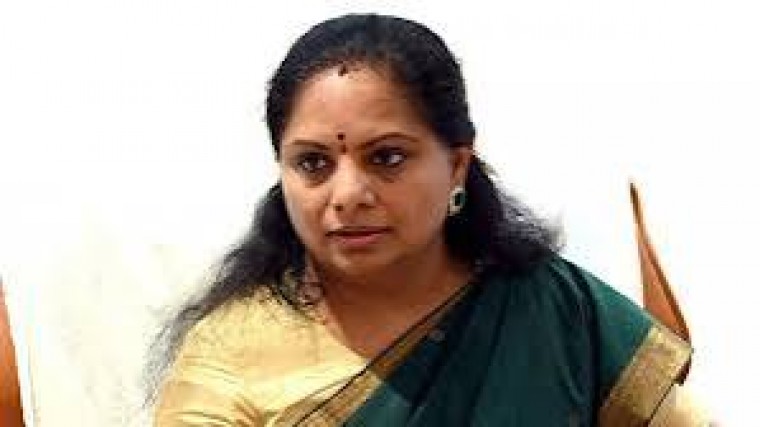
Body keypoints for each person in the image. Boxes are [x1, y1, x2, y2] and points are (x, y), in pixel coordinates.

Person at [152, 14, 707, 426]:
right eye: (313, 163)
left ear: (457, 166)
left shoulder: (554, 312)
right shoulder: (230, 354)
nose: (347, 195)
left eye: (387, 157)